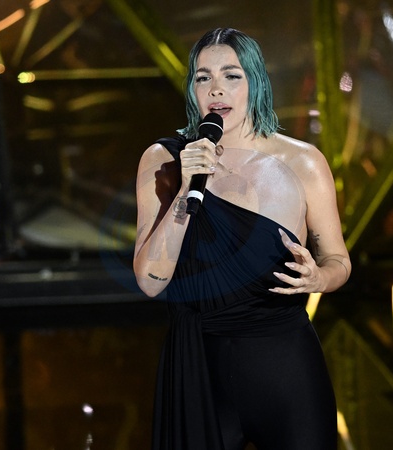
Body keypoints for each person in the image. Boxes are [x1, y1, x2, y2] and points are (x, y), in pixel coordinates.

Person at [133, 27, 351, 450]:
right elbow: (150, 282)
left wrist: (320, 278)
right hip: (197, 368)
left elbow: (338, 260)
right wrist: (186, 188)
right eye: (203, 77)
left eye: (231, 75)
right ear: (192, 89)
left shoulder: (303, 162)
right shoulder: (164, 161)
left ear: (256, 83)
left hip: (285, 368)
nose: (216, 88)